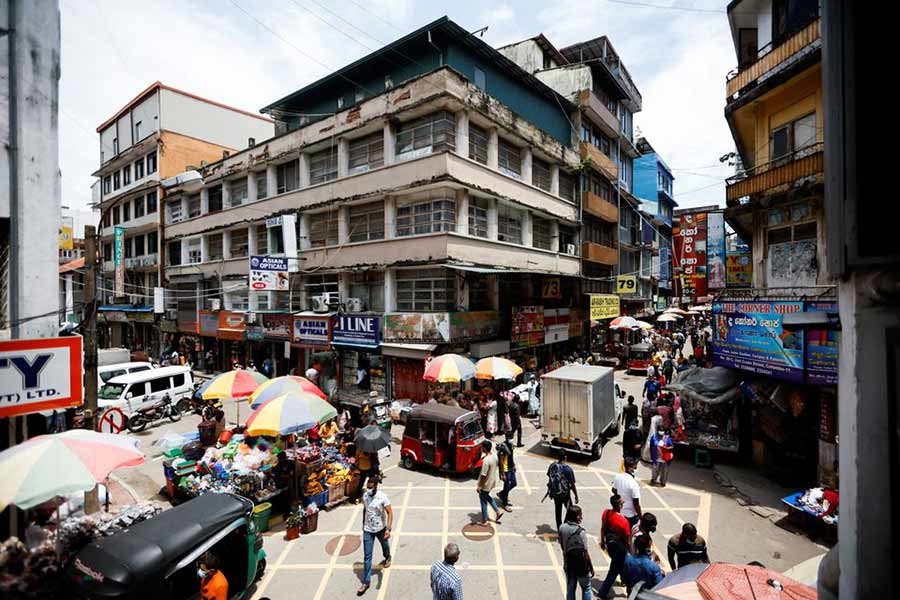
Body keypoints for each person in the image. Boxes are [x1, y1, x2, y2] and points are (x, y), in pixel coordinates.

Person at [358, 475, 393, 595]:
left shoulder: (383, 497)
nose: (368, 490)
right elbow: (365, 509)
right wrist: (363, 524)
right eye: (367, 487)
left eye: (371, 488)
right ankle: (366, 582)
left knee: (385, 546)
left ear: (376, 486)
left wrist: (388, 529)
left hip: (381, 529)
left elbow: (390, 513)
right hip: (368, 530)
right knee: (367, 557)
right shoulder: (365, 495)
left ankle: (387, 556)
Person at [598, 494, 631, 598]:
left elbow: (603, 528)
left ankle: (624, 580)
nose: (623, 503)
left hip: (610, 546)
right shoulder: (624, 521)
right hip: (620, 550)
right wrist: (629, 551)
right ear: (620, 505)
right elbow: (628, 541)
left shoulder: (606, 513)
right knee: (613, 572)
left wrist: (603, 541)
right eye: (622, 502)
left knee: (621, 566)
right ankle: (602, 593)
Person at [558, 505, 594, 600]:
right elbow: (585, 553)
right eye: (580, 515)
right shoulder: (581, 532)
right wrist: (591, 567)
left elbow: (562, 546)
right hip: (581, 566)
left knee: (570, 589)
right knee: (586, 588)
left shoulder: (562, 528)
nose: (581, 517)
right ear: (576, 516)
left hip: (568, 564)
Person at [546, 449, 579, 529]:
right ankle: (564, 527)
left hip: (555, 494)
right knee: (570, 511)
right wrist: (576, 495)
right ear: (565, 457)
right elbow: (572, 484)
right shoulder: (568, 469)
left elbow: (549, 476)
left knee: (558, 512)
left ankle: (560, 529)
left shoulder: (552, 466)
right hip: (565, 494)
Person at [476, 440, 504, 525]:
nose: (481, 448)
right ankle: (498, 511)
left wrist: (479, 486)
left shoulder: (486, 461)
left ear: (484, 448)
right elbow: (500, 464)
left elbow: (483, 475)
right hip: (492, 481)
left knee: (483, 501)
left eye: (482, 447)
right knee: (486, 496)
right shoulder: (494, 456)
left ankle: (485, 520)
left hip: (486, 483)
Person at [612, 457, 642, 527]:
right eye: (635, 467)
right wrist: (641, 517)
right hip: (630, 516)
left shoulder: (617, 477)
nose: (636, 469)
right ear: (630, 468)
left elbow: (613, 490)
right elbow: (636, 503)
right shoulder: (634, 484)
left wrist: (620, 495)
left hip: (619, 512)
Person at [497, 431, 517, 510]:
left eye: (512, 437)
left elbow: (511, 456)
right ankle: (505, 504)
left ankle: (502, 494)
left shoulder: (511, 445)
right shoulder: (503, 447)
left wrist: (514, 464)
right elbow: (501, 461)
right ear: (506, 438)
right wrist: (502, 473)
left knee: (514, 483)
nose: (511, 439)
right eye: (510, 437)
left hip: (511, 467)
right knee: (506, 486)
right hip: (506, 469)